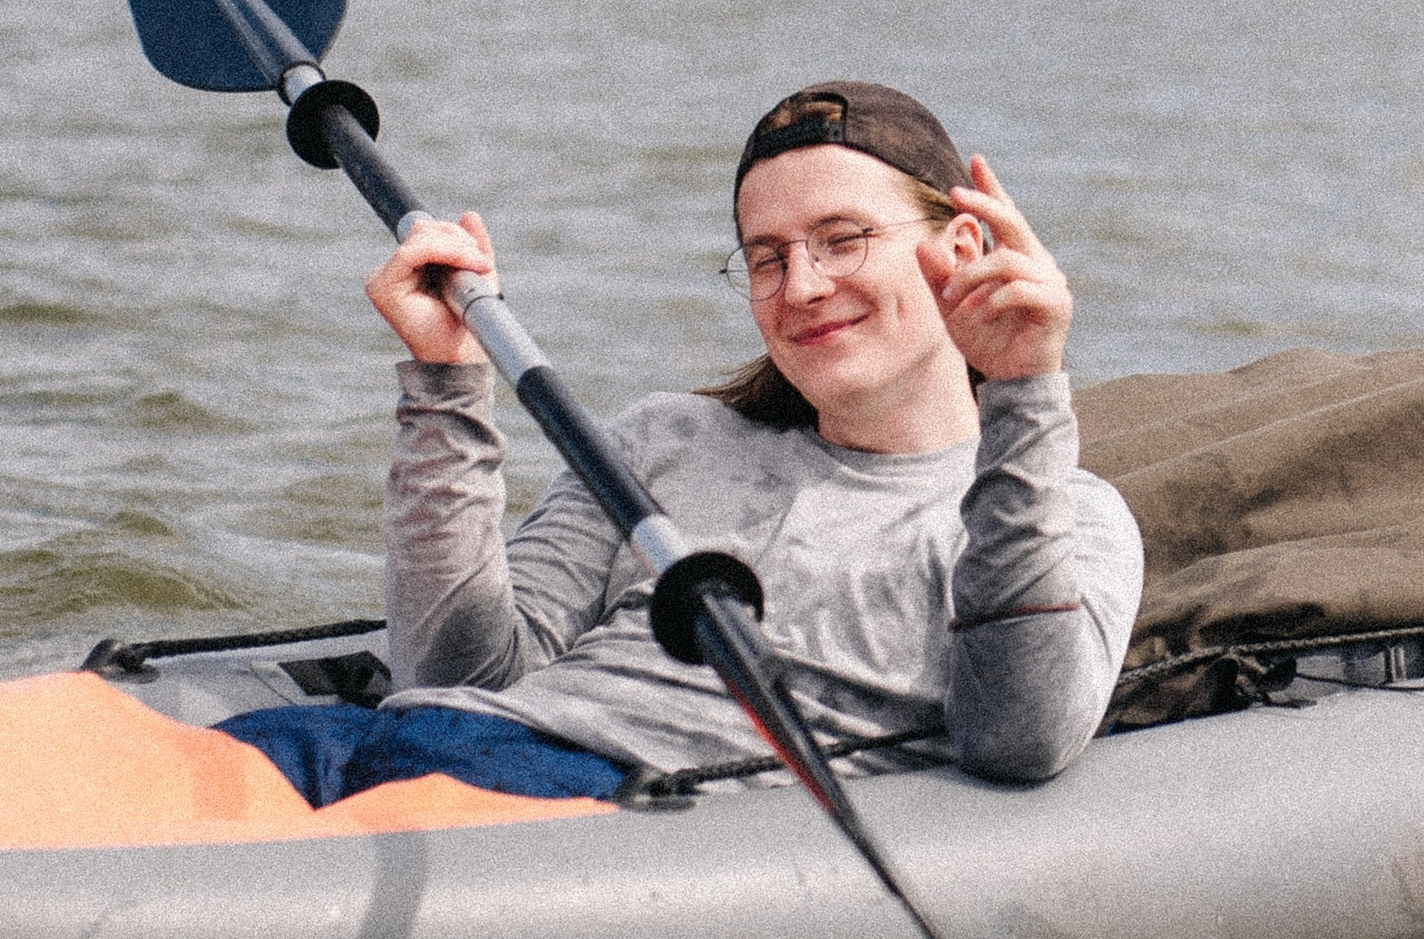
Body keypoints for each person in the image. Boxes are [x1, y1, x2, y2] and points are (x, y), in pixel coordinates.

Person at [220, 80, 1146, 804]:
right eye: (767, 257)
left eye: (843, 239)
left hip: (588, 801)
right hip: (403, 740)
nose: (802, 286)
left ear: (965, 248)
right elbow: (461, 675)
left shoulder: (1068, 516)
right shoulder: (663, 437)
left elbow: (1017, 738)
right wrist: (446, 381)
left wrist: (1024, 388)